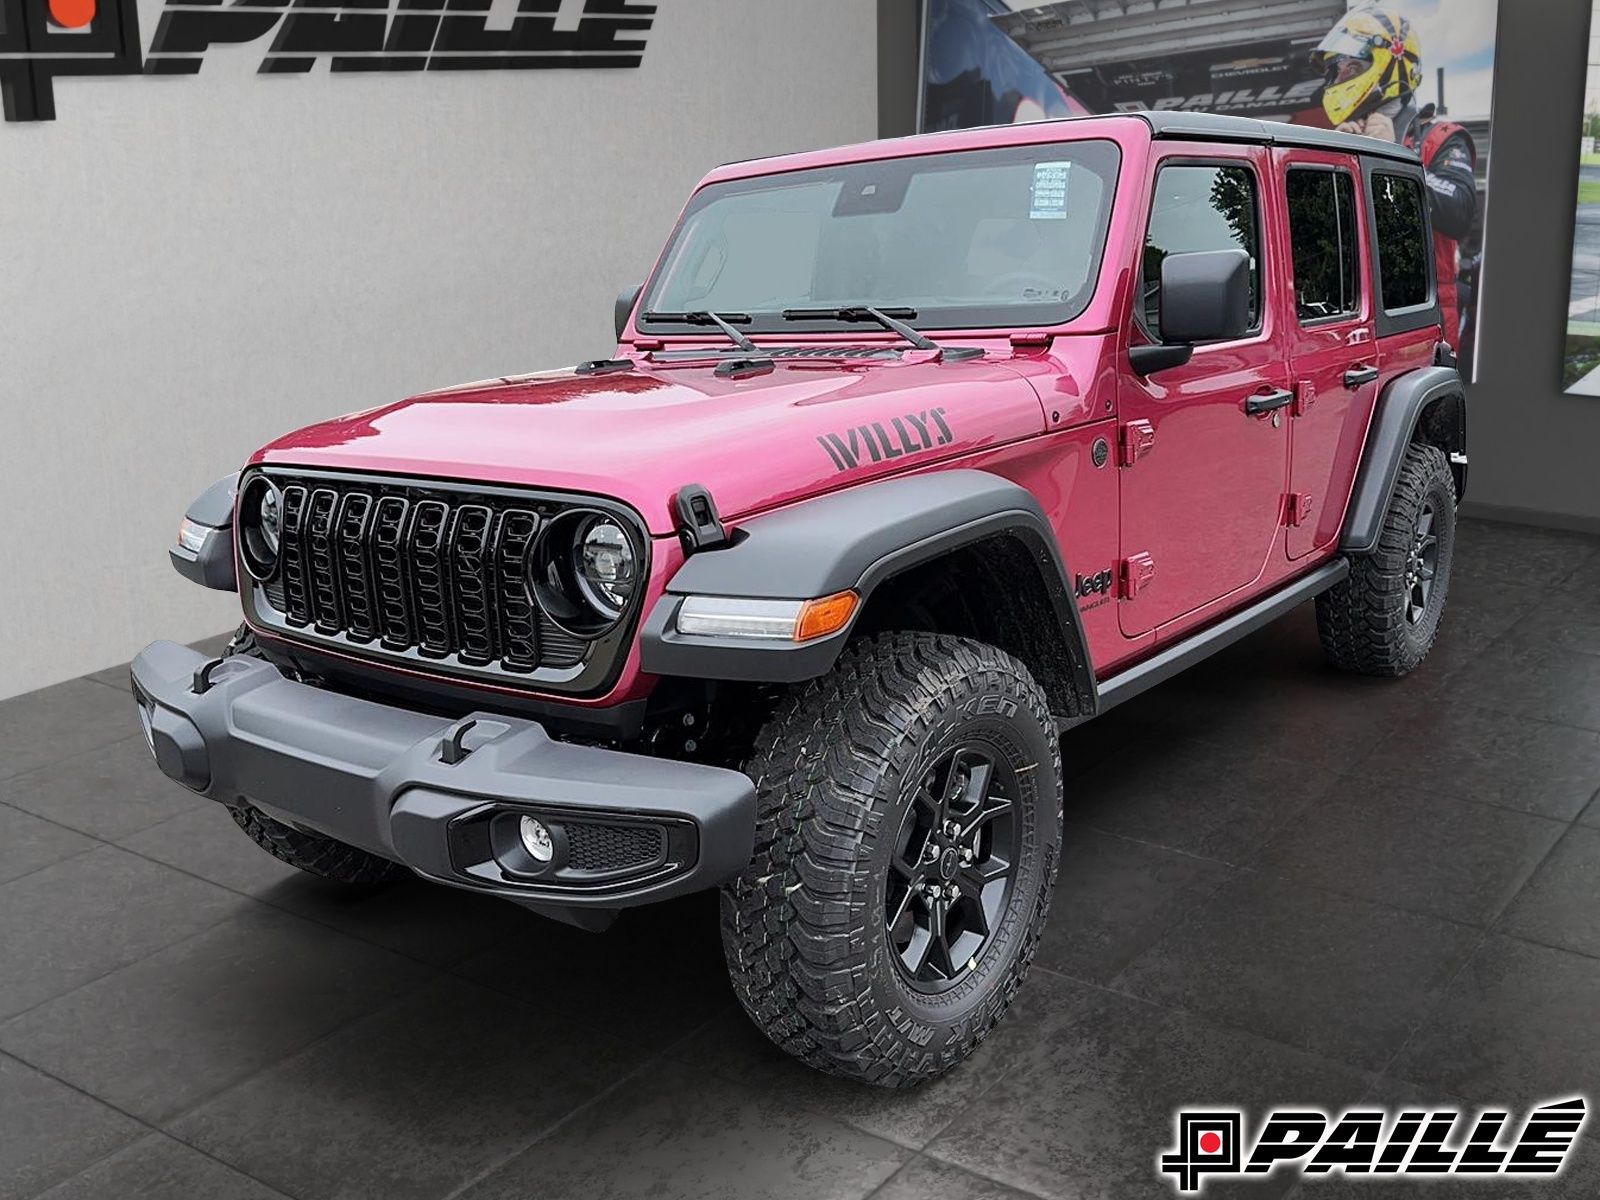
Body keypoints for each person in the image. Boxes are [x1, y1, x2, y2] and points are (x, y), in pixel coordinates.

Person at [1312, 6, 1478, 354]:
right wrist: (1330, 163)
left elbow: (1460, 213)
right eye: (1336, 70)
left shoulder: (1440, 138)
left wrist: (1394, 158)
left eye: (1351, 68)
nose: (1340, 78)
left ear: (1390, 67)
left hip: (1421, 311)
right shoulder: (1344, 137)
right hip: (1351, 312)